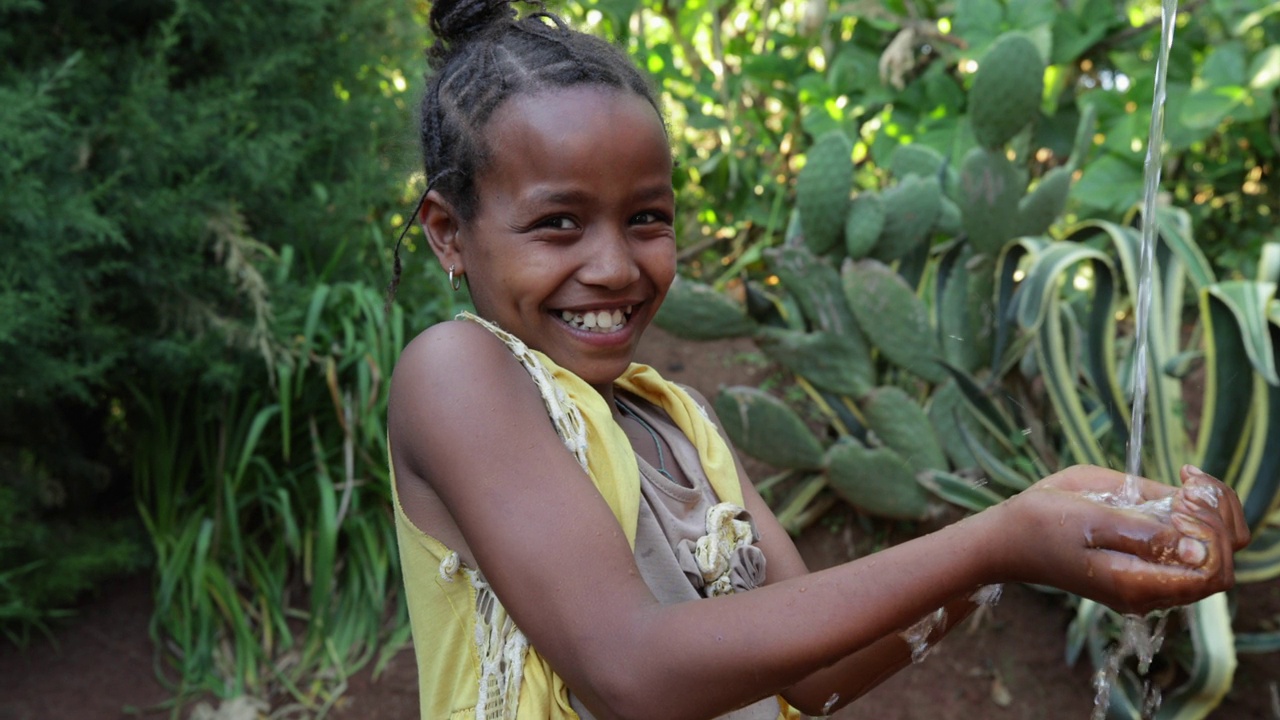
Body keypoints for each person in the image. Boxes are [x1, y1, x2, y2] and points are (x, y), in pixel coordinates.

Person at [385, 1, 1250, 717]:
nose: (615, 264)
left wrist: (1031, 525)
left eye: (647, 217)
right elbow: (630, 668)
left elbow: (813, 677)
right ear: (448, 232)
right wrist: (996, 544)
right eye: (558, 223)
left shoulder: (683, 420)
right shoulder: (458, 373)